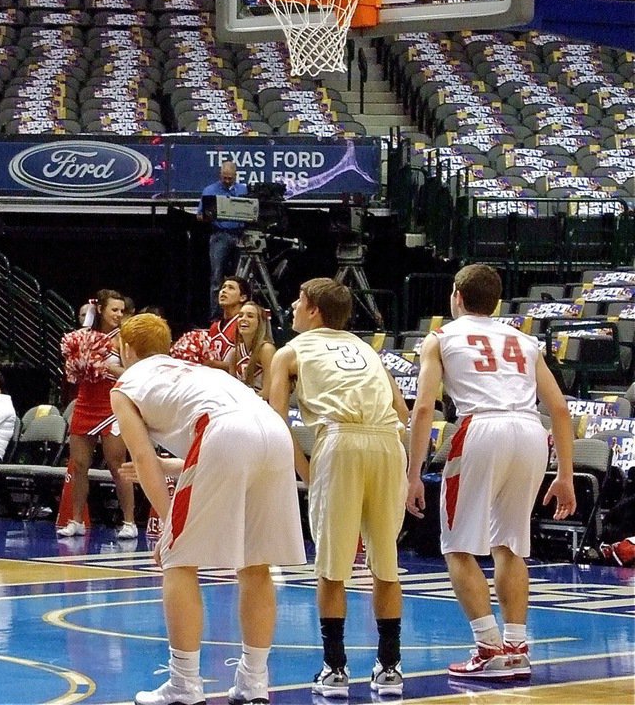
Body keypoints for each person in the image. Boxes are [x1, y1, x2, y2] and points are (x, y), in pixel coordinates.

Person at [111, 314, 306, 705]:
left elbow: (144, 461)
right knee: (257, 562)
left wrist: (168, 522)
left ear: (127, 349)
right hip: (273, 431)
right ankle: (253, 682)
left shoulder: (125, 385)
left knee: (178, 560)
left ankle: (184, 684)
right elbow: (225, 439)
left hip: (225, 433)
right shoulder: (193, 370)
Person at [405, 264, 576, 681]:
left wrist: (413, 474)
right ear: (496, 302)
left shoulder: (441, 337)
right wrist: (566, 473)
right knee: (510, 543)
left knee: (458, 547)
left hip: (480, 428)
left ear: (457, 297)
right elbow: (559, 408)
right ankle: (516, 646)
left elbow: (424, 407)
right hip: (530, 432)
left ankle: (488, 646)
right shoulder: (524, 339)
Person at [267, 277, 410, 698]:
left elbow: (276, 419)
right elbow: (400, 410)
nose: (291, 305)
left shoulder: (289, 351)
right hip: (386, 443)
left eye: (297, 299)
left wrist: (306, 471)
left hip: (341, 442)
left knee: (332, 566)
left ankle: (335, 670)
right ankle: (389, 669)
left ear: (313, 309)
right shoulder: (369, 350)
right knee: (386, 562)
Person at [58, 289, 138, 540]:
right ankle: (77, 520)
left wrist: (106, 367)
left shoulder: (125, 337)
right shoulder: (83, 336)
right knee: (79, 463)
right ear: (101, 310)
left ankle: (129, 522)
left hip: (113, 404)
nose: (118, 314)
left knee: (117, 464)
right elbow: (70, 370)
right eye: (114, 310)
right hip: (85, 402)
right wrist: (78, 366)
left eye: (121, 310)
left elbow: (132, 372)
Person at [197, 161, 248, 318]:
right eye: (224, 178)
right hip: (220, 235)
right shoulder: (209, 191)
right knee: (217, 278)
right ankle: (216, 317)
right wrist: (210, 215)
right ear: (220, 175)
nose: (227, 181)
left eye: (230, 178)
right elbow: (199, 216)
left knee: (242, 278)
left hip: (240, 235)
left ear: (235, 176)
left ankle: (241, 314)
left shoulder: (243, 190)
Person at [204, 276, 251, 372]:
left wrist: (214, 364)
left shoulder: (244, 324)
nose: (224, 291)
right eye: (223, 287)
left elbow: (249, 365)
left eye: (231, 288)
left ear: (243, 298)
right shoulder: (214, 326)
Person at [232, 301, 276, 395]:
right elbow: (231, 389)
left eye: (250, 316)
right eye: (240, 316)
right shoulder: (235, 352)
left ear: (260, 323)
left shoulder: (266, 349)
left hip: (263, 406)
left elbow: (268, 391)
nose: (243, 319)